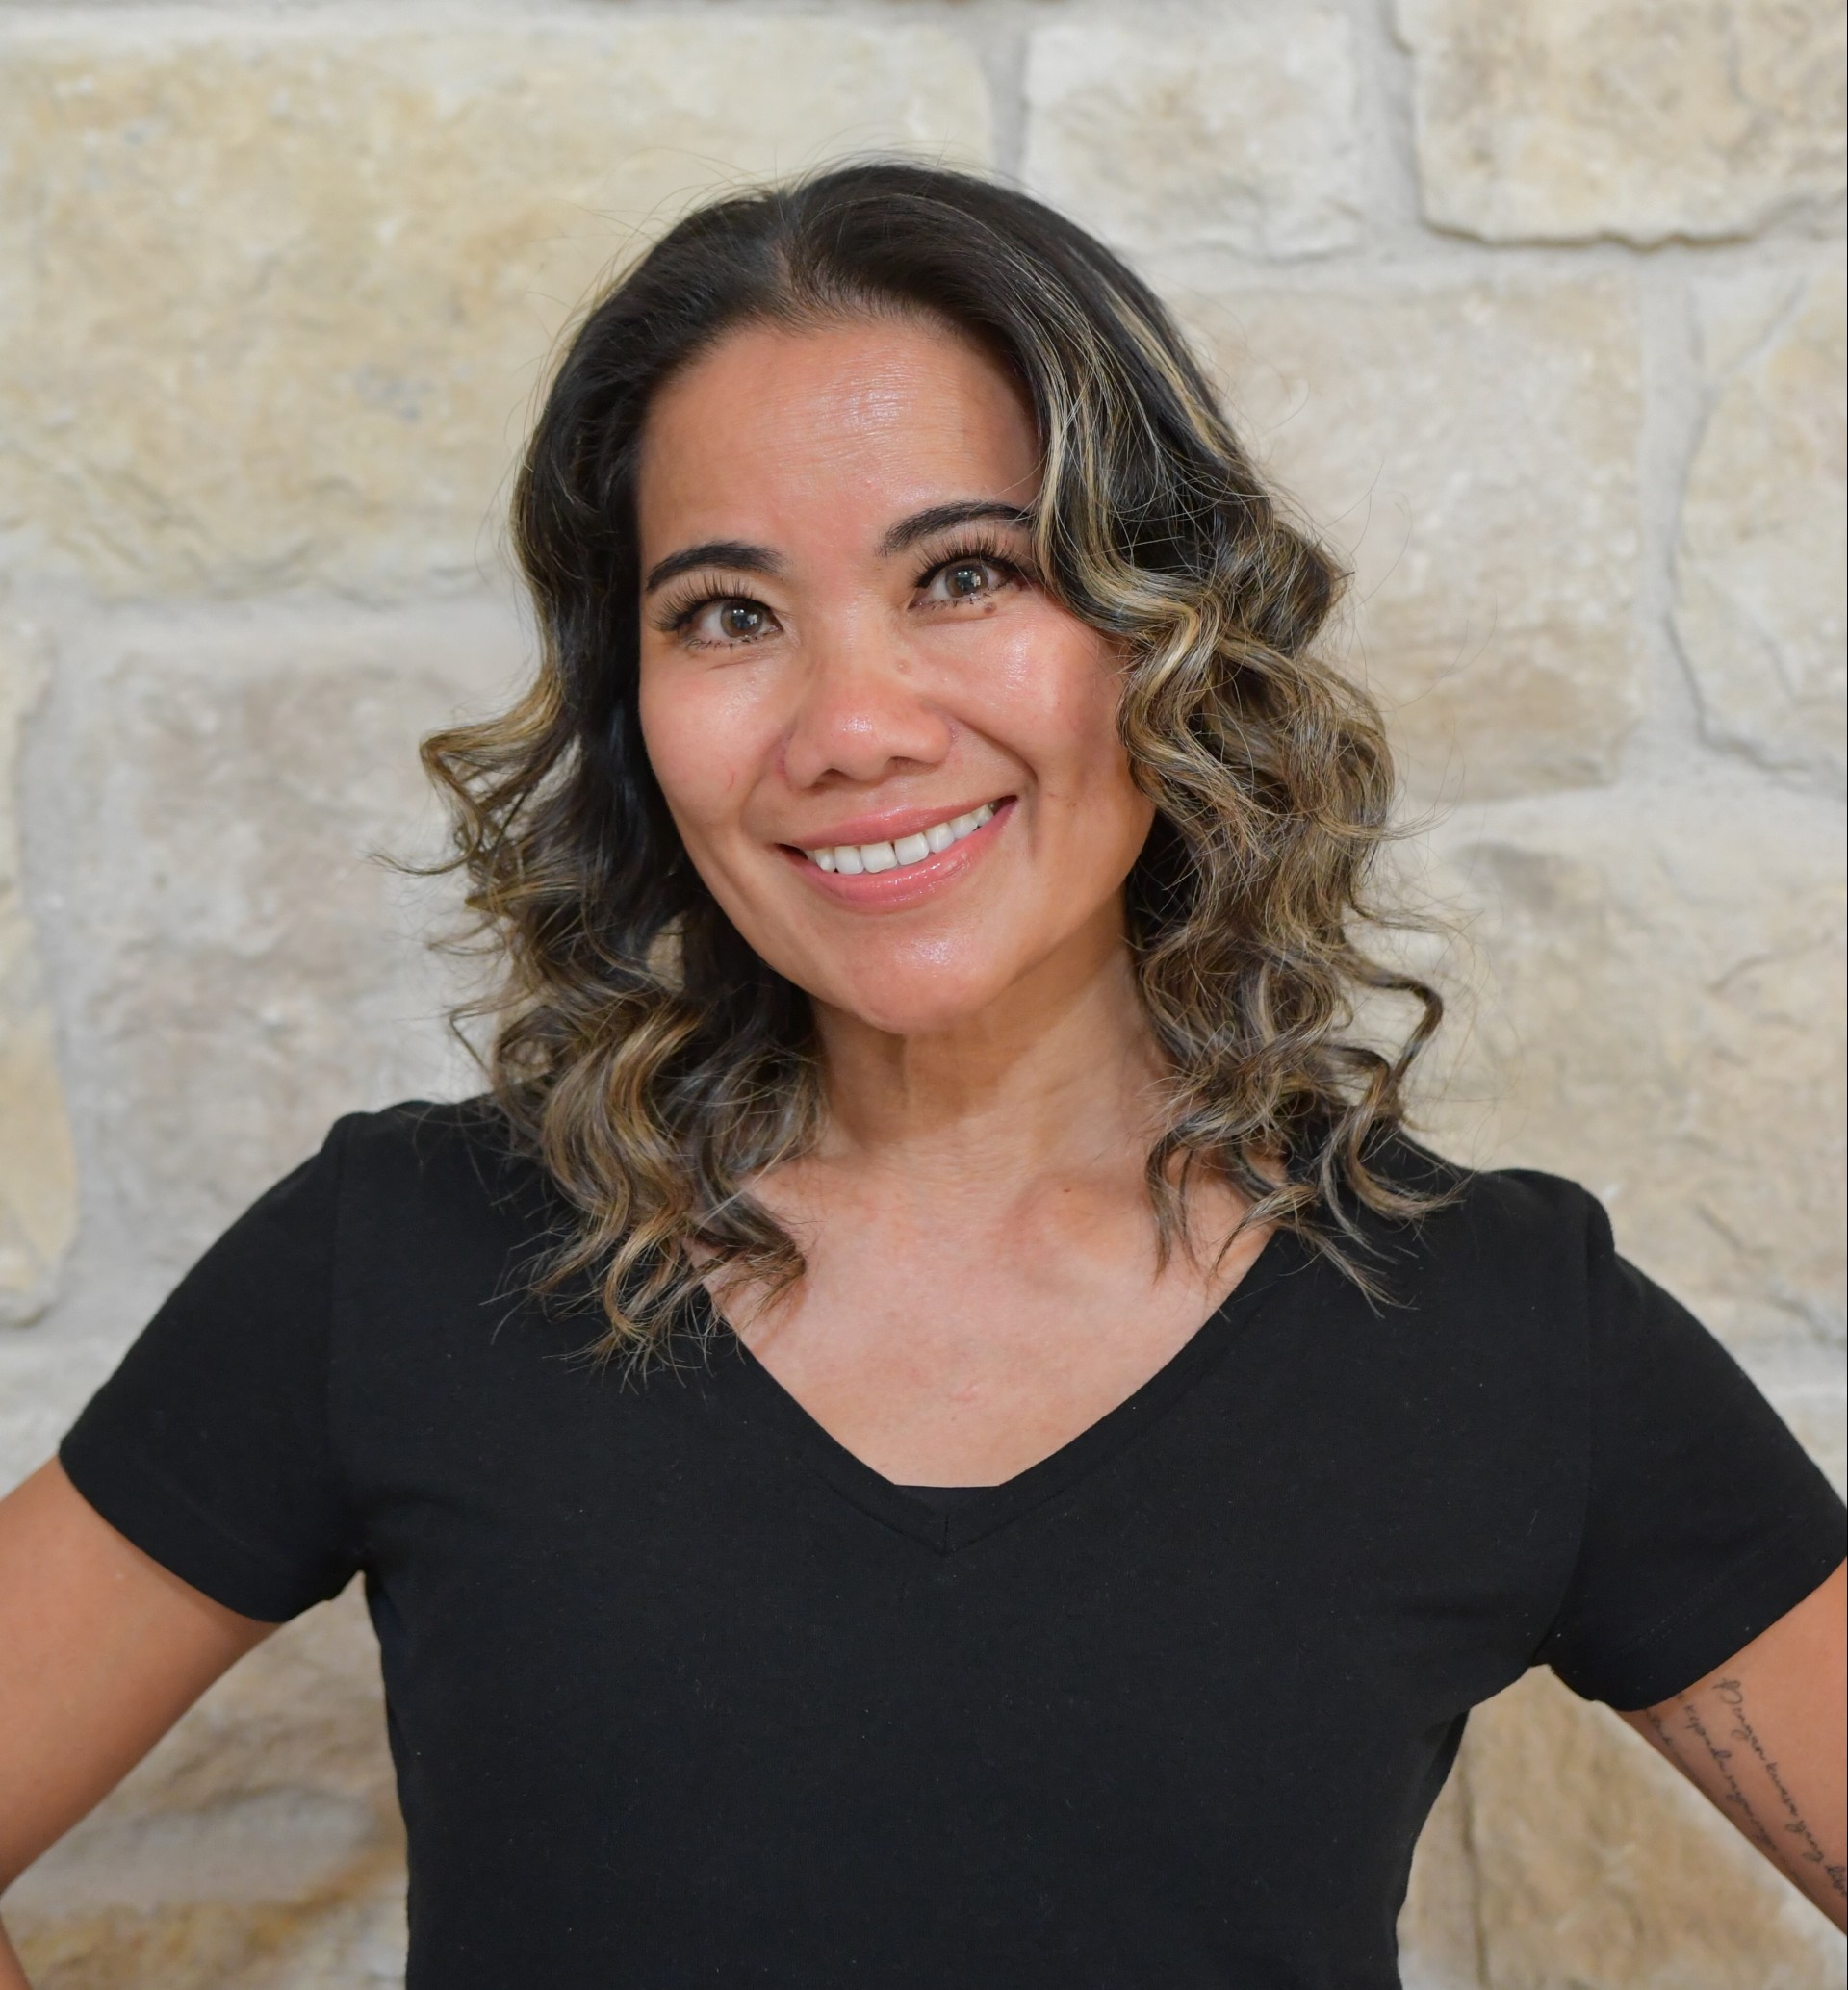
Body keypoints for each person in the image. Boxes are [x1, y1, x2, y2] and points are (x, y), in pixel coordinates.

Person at [0, 163, 1840, 1989]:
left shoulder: (1491, 1330)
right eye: (728, 612)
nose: (852, 727)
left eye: (966, 575)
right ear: (630, 706)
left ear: (1164, 634)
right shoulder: (404, 1259)